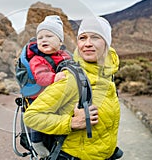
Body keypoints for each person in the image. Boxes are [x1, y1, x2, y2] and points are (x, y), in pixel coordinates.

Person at [24, 16, 121, 160]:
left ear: (107, 43)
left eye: (95, 37)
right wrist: (72, 122)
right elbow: (31, 117)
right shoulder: (72, 79)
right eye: (82, 38)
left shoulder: (107, 77)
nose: (87, 43)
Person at [26, 15, 72, 158]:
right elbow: (40, 76)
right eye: (40, 38)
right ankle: (36, 142)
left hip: (57, 96)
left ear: (60, 41)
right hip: (40, 95)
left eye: (49, 36)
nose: (44, 40)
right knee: (38, 117)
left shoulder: (65, 56)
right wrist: (54, 77)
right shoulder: (37, 59)